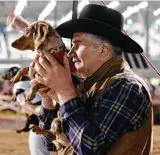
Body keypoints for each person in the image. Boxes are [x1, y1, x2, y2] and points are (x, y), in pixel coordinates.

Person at [8, 4, 153, 155]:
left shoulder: (127, 86)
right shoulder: (91, 86)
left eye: (77, 44)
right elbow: (50, 145)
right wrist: (48, 100)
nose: (70, 53)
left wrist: (64, 92)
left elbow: (90, 148)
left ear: (103, 50)